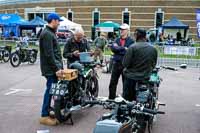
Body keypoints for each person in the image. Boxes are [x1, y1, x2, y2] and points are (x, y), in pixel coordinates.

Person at [39, 13, 63, 126]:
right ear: (53, 20)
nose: (59, 23)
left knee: (52, 90)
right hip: (51, 69)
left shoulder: (50, 33)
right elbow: (49, 54)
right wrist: (56, 69)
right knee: (49, 91)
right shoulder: (47, 34)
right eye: (58, 21)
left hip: (52, 68)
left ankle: (48, 111)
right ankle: (44, 115)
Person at [122, 28, 158, 101]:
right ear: (145, 36)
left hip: (131, 78)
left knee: (127, 100)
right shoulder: (153, 49)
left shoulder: (132, 47)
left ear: (136, 36)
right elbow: (153, 64)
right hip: (145, 77)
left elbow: (125, 64)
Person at [108, 23, 134, 99]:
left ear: (127, 31)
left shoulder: (131, 41)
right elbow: (113, 49)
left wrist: (118, 49)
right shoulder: (116, 39)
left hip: (126, 65)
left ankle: (125, 99)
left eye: (123, 29)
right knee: (113, 82)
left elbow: (129, 52)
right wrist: (123, 48)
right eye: (120, 29)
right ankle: (111, 98)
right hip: (116, 63)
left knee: (125, 83)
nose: (121, 31)